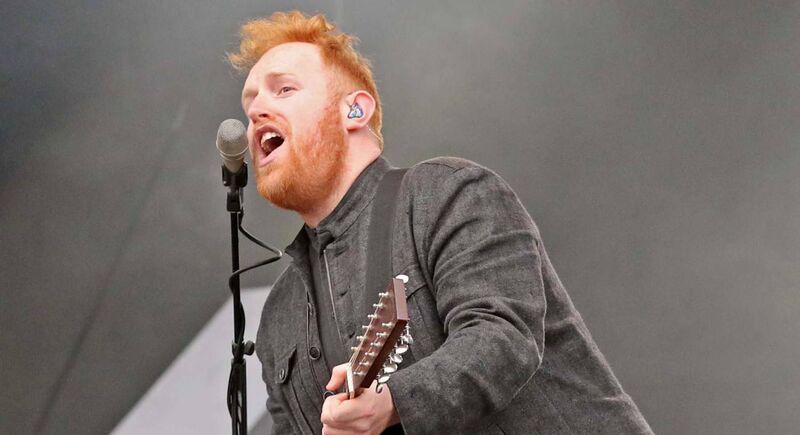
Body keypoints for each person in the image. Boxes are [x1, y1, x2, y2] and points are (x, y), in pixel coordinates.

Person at [230, 11, 653, 435]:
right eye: (250, 107)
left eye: (283, 89)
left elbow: (503, 337)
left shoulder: (448, 194)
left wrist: (394, 400)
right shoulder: (278, 318)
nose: (257, 112)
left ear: (355, 109)